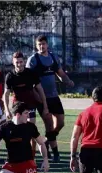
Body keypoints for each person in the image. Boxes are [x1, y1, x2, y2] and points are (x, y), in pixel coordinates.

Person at [26, 35, 74, 163]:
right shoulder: (33, 60)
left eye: (43, 44)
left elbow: (60, 73)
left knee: (61, 122)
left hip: (54, 96)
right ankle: (55, 154)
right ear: (36, 46)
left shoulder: (53, 57)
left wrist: (68, 81)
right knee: (49, 124)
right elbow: (28, 78)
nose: (42, 46)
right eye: (39, 44)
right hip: (42, 98)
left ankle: (48, 140)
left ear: (47, 45)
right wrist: (36, 96)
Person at [3, 51, 48, 157]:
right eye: (16, 62)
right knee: (16, 131)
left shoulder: (31, 73)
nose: (19, 64)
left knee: (31, 131)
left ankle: (31, 156)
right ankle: (15, 155)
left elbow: (40, 89)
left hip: (30, 105)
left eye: (21, 62)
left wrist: (45, 106)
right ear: (13, 63)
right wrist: (7, 110)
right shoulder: (10, 76)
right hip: (17, 107)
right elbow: (6, 94)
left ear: (24, 62)